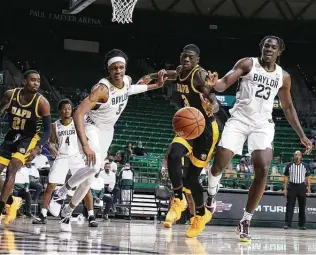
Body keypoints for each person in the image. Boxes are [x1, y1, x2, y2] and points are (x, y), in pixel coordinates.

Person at [205, 36, 313, 241]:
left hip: (263, 124)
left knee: (263, 167)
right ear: (261, 48)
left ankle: (245, 220)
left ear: (279, 52)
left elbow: (288, 107)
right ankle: (211, 195)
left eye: (273, 47)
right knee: (219, 164)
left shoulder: (284, 76)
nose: (269, 49)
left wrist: (302, 135)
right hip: (239, 119)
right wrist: (215, 84)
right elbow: (224, 83)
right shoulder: (247, 63)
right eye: (266, 46)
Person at [48, 49, 168, 232]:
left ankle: (67, 210)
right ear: (108, 70)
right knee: (95, 166)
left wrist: (156, 86)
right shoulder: (102, 89)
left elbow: (131, 89)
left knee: (89, 178)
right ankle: (61, 192)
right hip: (91, 127)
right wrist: (86, 145)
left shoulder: (126, 81)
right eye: (114, 68)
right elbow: (78, 113)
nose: (118, 71)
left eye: (121, 67)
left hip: (107, 131)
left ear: (125, 68)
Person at [150, 44, 220, 238]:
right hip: (189, 126)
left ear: (197, 60)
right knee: (173, 155)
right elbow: (172, 74)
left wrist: (212, 106)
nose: (186, 60)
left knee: (192, 179)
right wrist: (154, 76)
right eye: (184, 56)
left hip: (205, 130)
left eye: (191, 57)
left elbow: (214, 98)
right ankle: (178, 199)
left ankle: (200, 215)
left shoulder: (199, 74)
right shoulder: (181, 70)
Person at [33, 99, 97, 227]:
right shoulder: (55, 125)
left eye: (69, 108)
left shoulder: (77, 122)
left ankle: (91, 215)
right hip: (61, 157)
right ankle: (43, 214)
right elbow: (52, 141)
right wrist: (51, 146)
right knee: (50, 186)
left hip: (76, 157)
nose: (67, 110)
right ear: (60, 111)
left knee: (85, 186)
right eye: (64, 108)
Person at [0, 70, 51, 224]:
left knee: (12, 169)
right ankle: (12, 201)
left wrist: (38, 148)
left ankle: (1, 208)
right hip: (12, 135)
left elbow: (47, 130)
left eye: (38, 80)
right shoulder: (10, 95)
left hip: (29, 138)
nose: (36, 83)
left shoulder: (42, 103)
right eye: (32, 80)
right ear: (24, 81)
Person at [284, 150, 311, 230]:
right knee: (289, 206)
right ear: (294, 156)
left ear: (301, 156)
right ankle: (287, 224)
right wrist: (285, 188)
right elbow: (285, 177)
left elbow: (308, 177)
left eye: (299, 155)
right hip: (292, 186)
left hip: (302, 187)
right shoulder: (289, 165)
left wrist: (309, 188)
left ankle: (302, 225)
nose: (297, 156)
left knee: (302, 206)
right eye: (296, 155)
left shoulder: (305, 165)